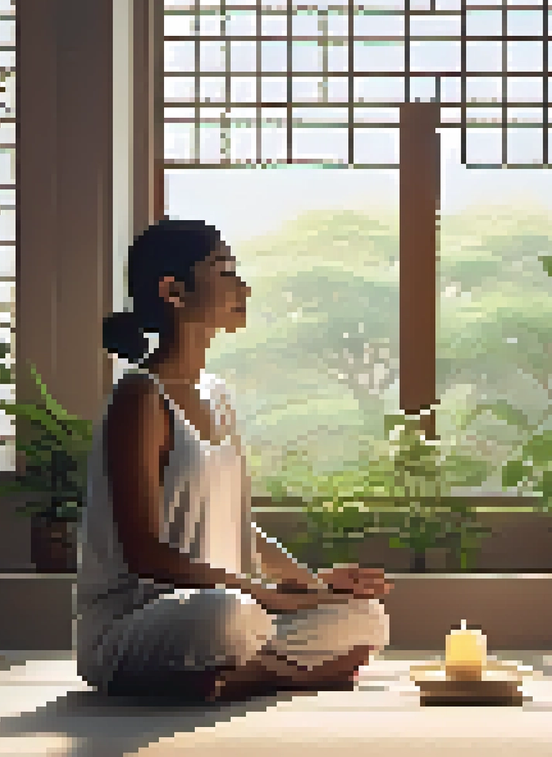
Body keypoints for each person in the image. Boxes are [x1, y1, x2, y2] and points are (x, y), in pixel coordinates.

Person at [74, 218, 394, 703]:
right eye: (224, 272)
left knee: (364, 617)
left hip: (236, 606)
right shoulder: (140, 396)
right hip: (144, 621)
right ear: (173, 290)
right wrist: (267, 595)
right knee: (226, 616)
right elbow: (144, 553)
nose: (242, 288)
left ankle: (234, 676)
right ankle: (273, 672)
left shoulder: (217, 394)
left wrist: (313, 583)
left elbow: (239, 528)